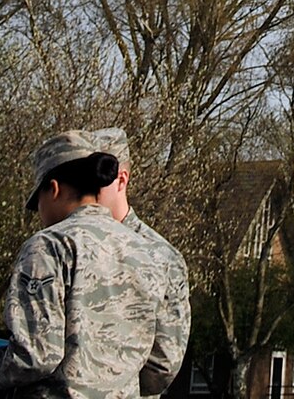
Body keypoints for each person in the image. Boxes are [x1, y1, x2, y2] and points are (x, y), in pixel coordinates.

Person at [0, 133, 186, 399]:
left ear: (53, 188)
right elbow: (162, 363)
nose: (38, 212)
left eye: (37, 201)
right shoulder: (151, 253)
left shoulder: (49, 245)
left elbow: (36, 356)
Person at [89, 130, 190, 395]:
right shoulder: (66, 246)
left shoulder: (160, 256)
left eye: (95, 179)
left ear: (121, 179)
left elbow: (163, 364)